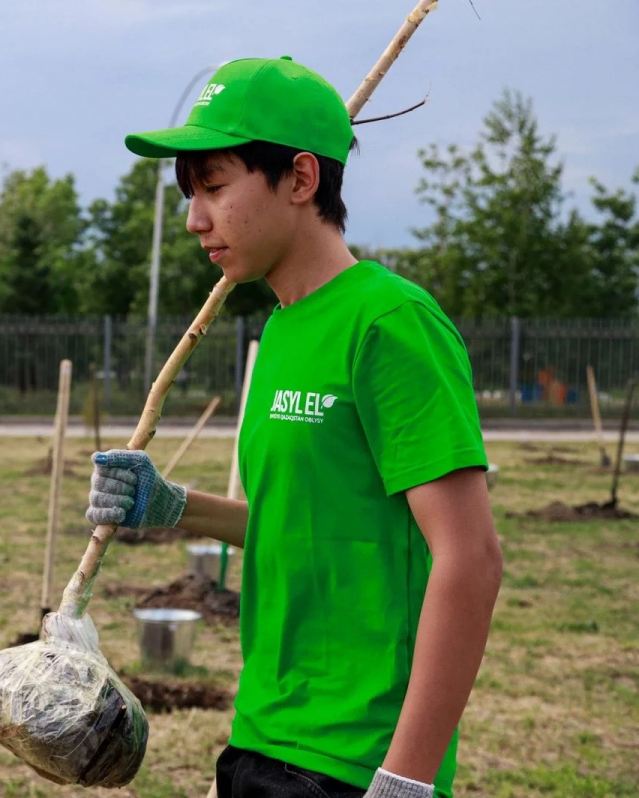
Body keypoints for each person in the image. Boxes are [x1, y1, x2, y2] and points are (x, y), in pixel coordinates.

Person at [85, 57, 502, 798]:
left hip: (354, 758)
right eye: (190, 194)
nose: (195, 219)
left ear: (301, 178)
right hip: (262, 733)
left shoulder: (389, 323)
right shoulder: (281, 328)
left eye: (214, 187)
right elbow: (302, 524)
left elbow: (470, 558)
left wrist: (404, 779)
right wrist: (174, 506)